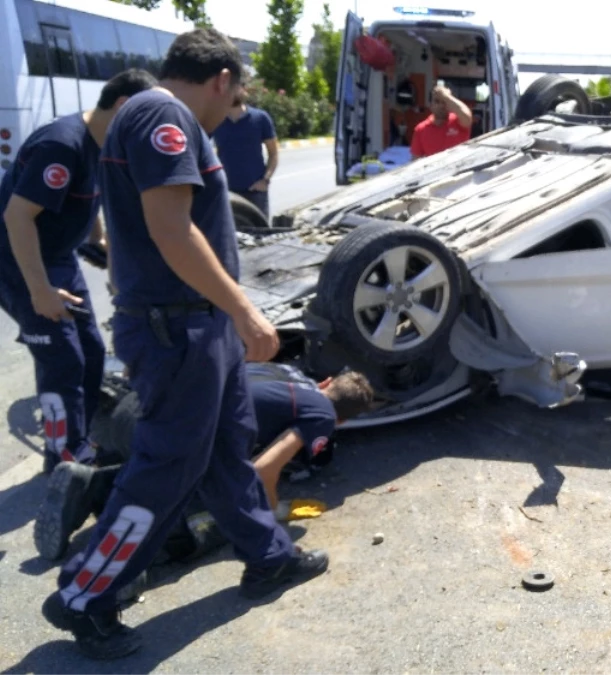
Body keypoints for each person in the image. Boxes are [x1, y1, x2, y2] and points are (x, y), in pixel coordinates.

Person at [41, 29, 329, 660]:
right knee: (166, 467)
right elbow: (172, 232)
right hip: (181, 330)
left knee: (225, 449)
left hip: (196, 327)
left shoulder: (149, 113)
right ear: (222, 78)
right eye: (236, 96)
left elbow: (150, 230)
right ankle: (85, 594)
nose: (235, 108)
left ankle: (268, 556)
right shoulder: (163, 114)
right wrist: (248, 312)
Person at [35, 363, 375, 562]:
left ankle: (91, 484)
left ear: (327, 382)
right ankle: (130, 559)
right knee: (215, 516)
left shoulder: (285, 371)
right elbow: (262, 471)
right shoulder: (324, 417)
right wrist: (272, 512)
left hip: (136, 409)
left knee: (173, 474)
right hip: (169, 435)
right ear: (340, 422)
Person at [0, 70, 158, 474]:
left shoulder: (103, 143)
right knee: (62, 359)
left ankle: (79, 442)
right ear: (123, 107)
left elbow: (90, 201)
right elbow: (18, 218)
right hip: (18, 260)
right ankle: (64, 461)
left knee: (89, 353)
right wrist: (39, 293)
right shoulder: (62, 145)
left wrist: (100, 245)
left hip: (58, 257)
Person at [211, 89, 278, 219]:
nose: (235, 91)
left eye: (237, 87)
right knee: (229, 235)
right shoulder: (216, 120)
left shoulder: (260, 118)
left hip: (255, 191)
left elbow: (273, 153)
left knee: (260, 234)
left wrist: (265, 180)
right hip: (226, 192)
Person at [410, 83, 473, 159]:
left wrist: (447, 96)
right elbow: (415, 160)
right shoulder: (421, 129)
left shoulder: (458, 121)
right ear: (431, 105)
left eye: (444, 102)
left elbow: (467, 117)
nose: (441, 105)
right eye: (437, 101)